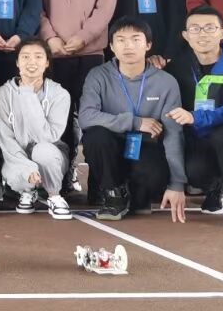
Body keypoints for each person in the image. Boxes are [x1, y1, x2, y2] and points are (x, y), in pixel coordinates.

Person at [78, 16, 188, 223]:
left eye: (136, 39)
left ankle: (132, 191)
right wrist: (136, 122)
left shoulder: (166, 82)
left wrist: (177, 183)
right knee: (95, 136)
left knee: (148, 192)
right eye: (121, 40)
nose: (128, 46)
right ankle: (112, 193)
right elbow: (86, 117)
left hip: (145, 147)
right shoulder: (98, 75)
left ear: (148, 45)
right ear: (111, 46)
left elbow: (174, 133)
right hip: (110, 148)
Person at [38, 0, 115, 172]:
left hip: (91, 53)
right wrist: (51, 38)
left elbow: (106, 4)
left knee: (94, 118)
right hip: (54, 54)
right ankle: (62, 173)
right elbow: (36, 6)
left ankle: (100, 179)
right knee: (56, 119)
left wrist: (84, 36)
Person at [166, 6, 223, 224]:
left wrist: (196, 117)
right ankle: (214, 187)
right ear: (186, 35)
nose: (202, 34)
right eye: (195, 29)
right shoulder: (178, 66)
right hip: (196, 137)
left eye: (209, 28)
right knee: (194, 171)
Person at [0, 39, 72, 219]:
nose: (32, 62)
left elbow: (47, 137)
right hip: (16, 158)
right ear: (17, 62)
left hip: (51, 156)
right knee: (16, 175)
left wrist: (28, 94)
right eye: (25, 57)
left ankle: (54, 195)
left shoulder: (60, 94)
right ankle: (27, 191)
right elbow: (6, 139)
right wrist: (26, 168)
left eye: (38, 57)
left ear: (47, 62)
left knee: (42, 151)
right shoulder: (3, 94)